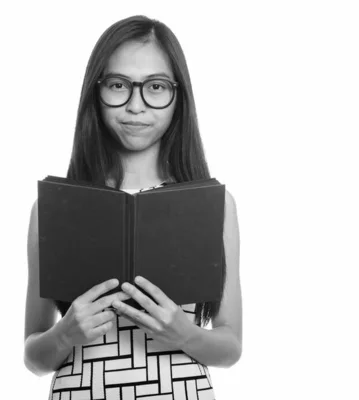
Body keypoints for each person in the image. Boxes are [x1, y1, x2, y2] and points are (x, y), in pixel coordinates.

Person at [23, 15, 242, 400]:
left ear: (179, 96)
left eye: (156, 87)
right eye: (118, 85)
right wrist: (65, 333)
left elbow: (231, 346)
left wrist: (184, 333)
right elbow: (34, 357)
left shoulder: (214, 205)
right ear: (97, 91)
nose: (136, 105)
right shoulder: (54, 209)